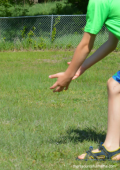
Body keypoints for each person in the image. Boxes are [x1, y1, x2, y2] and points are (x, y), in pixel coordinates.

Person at [49, 0, 120, 161]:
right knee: (115, 86)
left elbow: (86, 44)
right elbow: (111, 43)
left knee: (116, 86)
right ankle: (112, 147)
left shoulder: (99, 2)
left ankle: (111, 148)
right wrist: (81, 68)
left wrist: (68, 75)